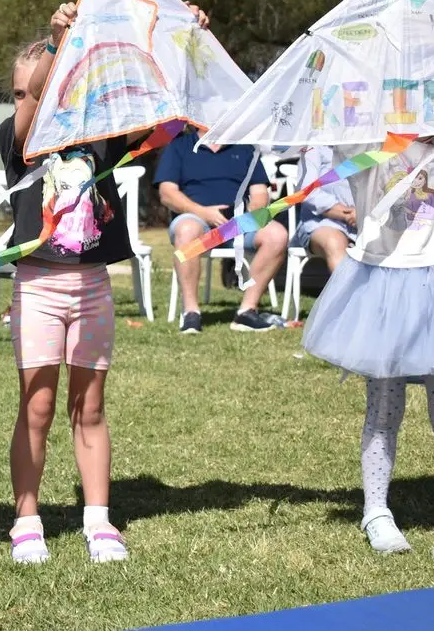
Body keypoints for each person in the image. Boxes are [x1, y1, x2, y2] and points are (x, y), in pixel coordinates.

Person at [0, 1, 191, 567]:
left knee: (90, 407)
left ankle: (98, 519)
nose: (30, 98)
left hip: (91, 290)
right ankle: (27, 520)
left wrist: (179, 37)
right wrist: (56, 44)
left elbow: (158, 102)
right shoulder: (21, 141)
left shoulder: (103, 136)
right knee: (37, 406)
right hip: (38, 287)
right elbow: (36, 103)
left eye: (38, 88)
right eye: (19, 92)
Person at [300, 137, 434, 555]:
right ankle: (376, 509)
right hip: (384, 283)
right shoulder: (368, 143)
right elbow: (334, 131)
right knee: (384, 408)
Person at [155, 128, 289, 334]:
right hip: (196, 219)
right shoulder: (179, 146)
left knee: (277, 235)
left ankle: (247, 312)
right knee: (187, 229)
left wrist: (249, 213)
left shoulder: (244, 148)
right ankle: (191, 313)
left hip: (238, 223)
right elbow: (167, 193)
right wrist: (204, 213)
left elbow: (260, 193)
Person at [294, 145, 357, 273]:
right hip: (321, 222)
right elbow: (307, 192)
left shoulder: (373, 145)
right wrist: (347, 214)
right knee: (334, 242)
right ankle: (346, 286)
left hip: (368, 220)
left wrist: (365, 213)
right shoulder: (314, 147)